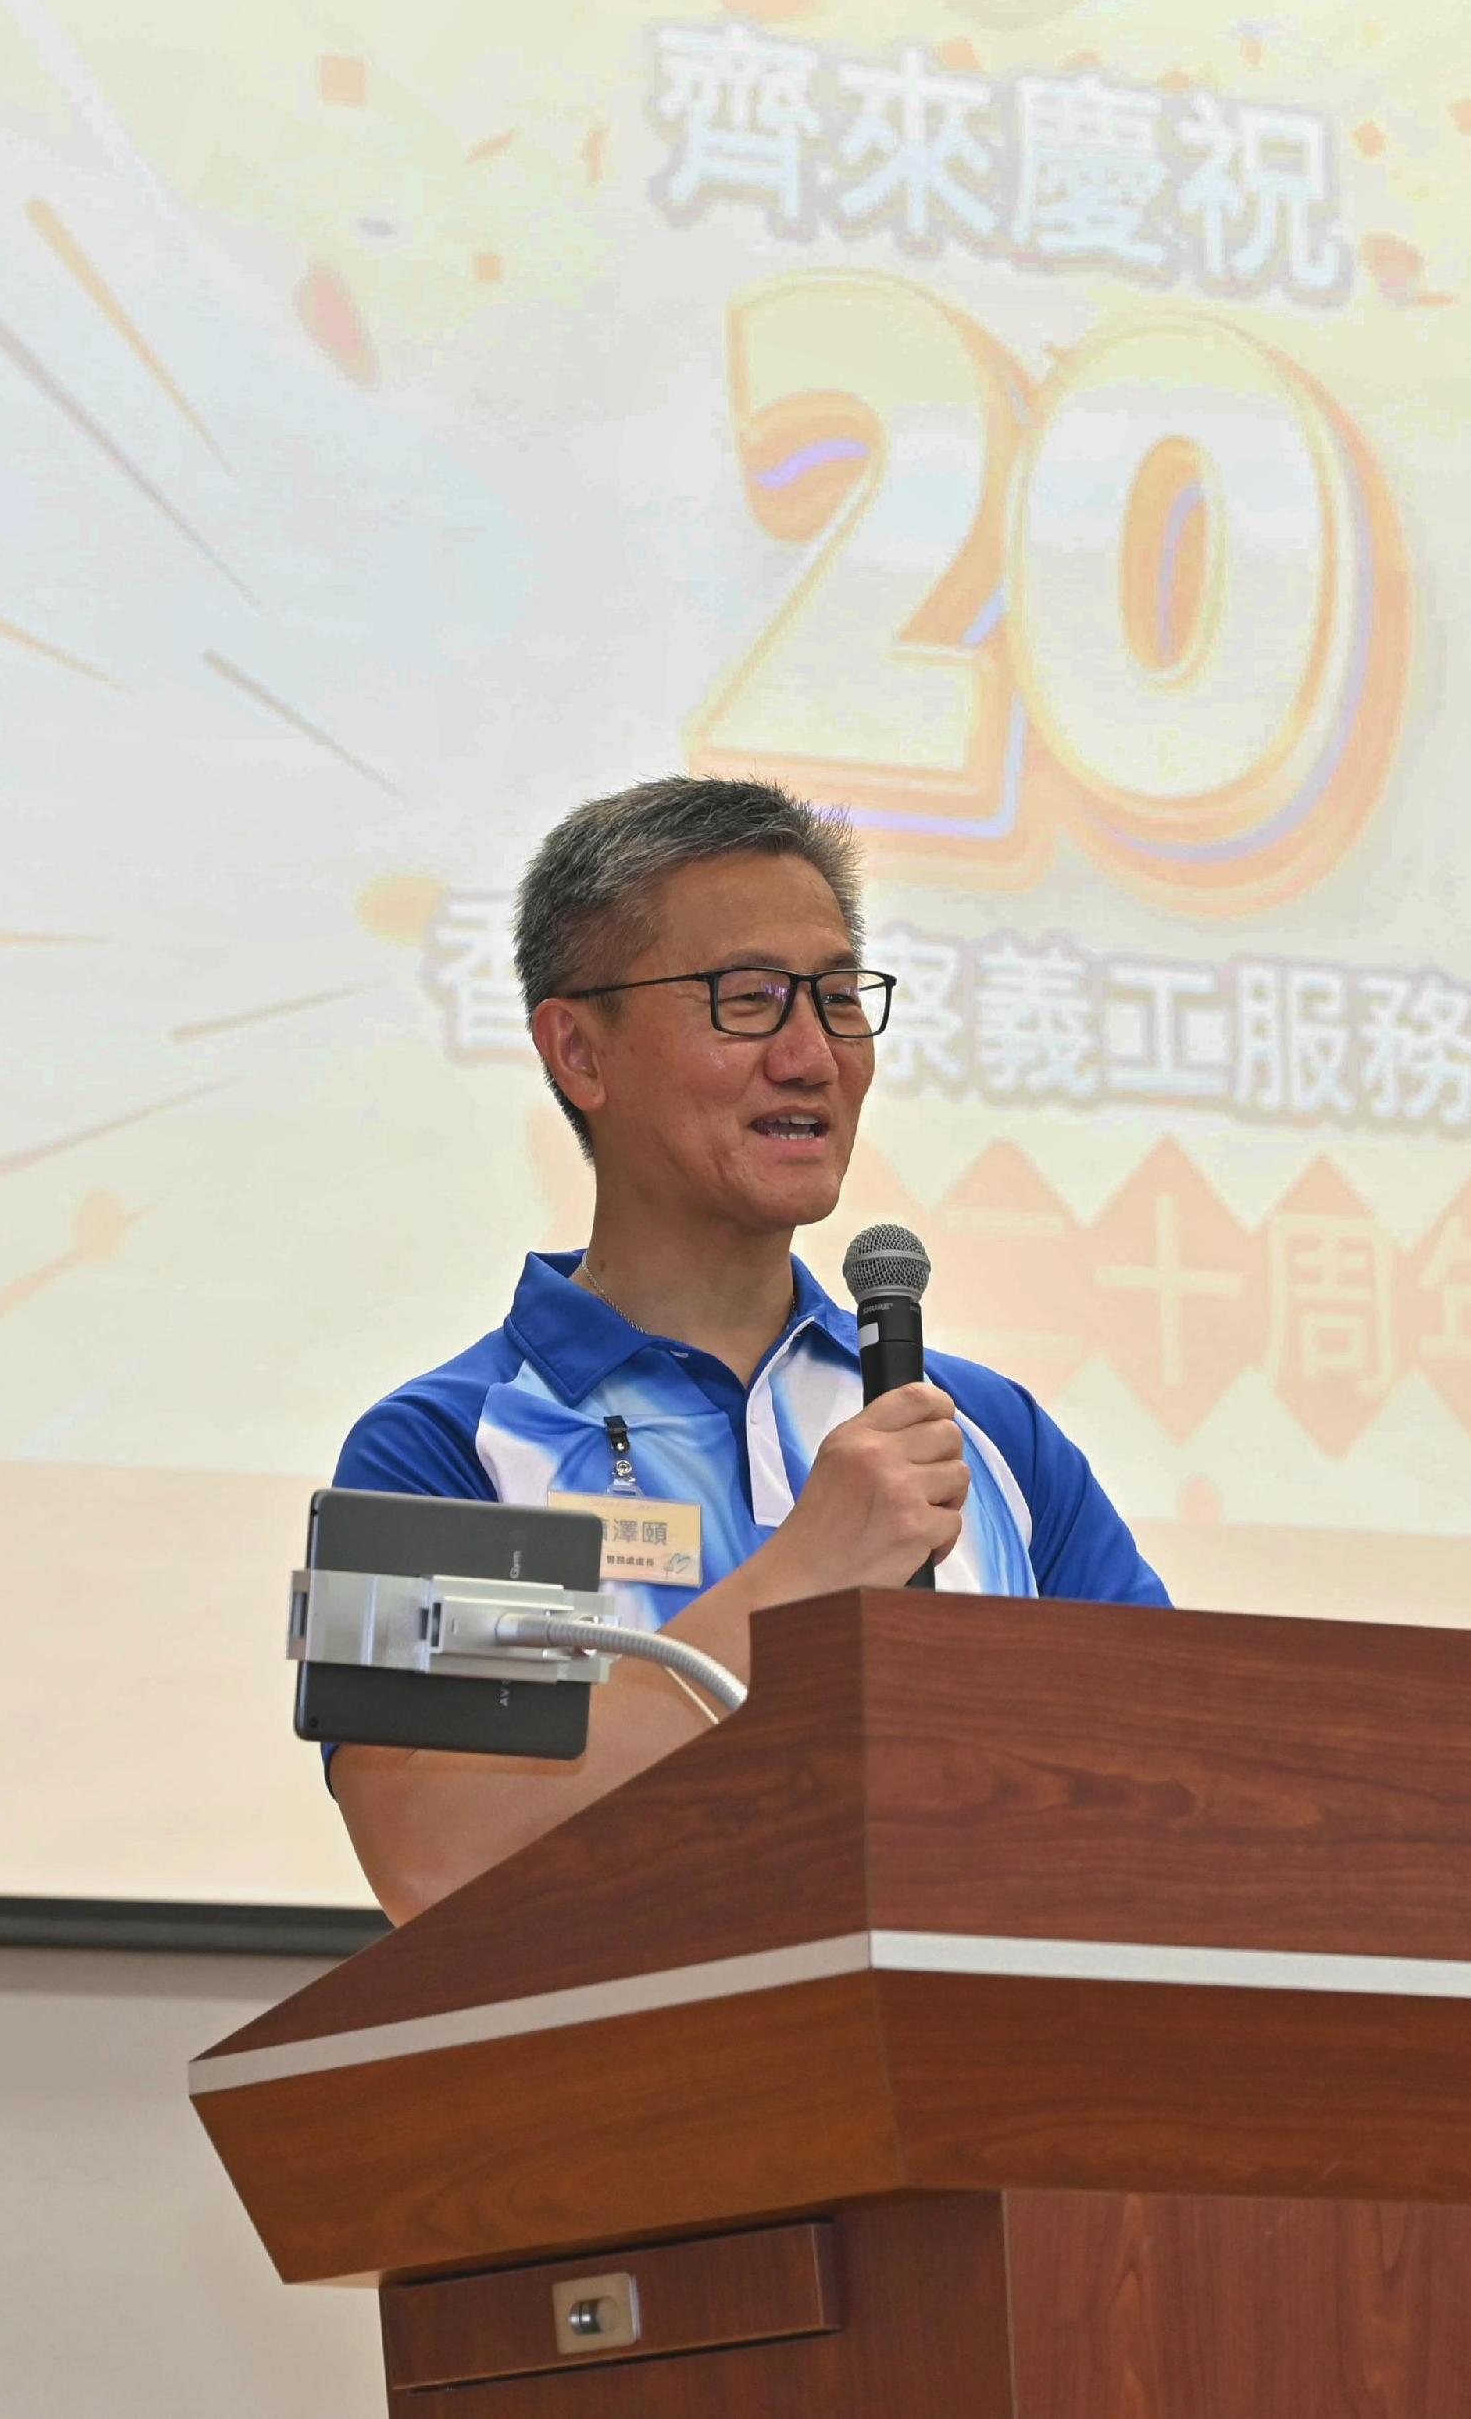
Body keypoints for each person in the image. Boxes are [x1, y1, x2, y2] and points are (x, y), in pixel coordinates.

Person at [328, 775, 1170, 1918]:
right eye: (748, 999)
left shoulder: (987, 1432)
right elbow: (432, 1859)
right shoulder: (440, 1448)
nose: (813, 1056)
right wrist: (803, 1580)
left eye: (836, 999)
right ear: (578, 1051)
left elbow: (1173, 1787)